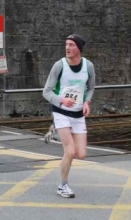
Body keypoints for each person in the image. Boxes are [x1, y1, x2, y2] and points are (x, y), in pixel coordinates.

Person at [43, 34, 95, 198]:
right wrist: (61, 100)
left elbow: (91, 88)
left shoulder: (89, 66)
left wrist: (87, 102)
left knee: (81, 154)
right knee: (70, 152)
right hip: (61, 112)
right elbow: (46, 92)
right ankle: (62, 186)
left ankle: (56, 131)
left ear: (79, 48)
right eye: (66, 44)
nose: (67, 48)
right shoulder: (59, 65)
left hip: (78, 114)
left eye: (71, 45)